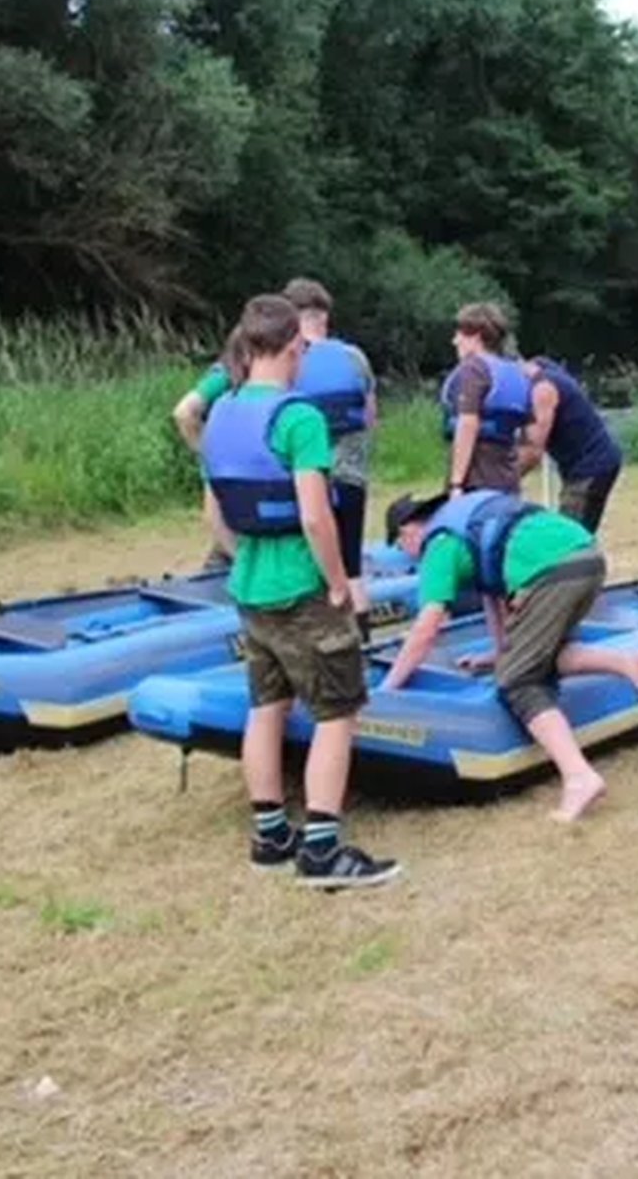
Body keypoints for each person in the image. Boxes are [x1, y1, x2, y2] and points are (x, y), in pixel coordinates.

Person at [200, 294, 396, 888]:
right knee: (338, 712)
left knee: (267, 706)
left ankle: (270, 835)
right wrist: (338, 582)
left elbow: (214, 513)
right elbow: (315, 516)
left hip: (250, 585)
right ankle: (322, 850)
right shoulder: (299, 417)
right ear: (294, 347)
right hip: (301, 587)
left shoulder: (221, 411)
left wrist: (245, 558)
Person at [380, 490, 638, 822]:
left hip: (551, 571)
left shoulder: (439, 546)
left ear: (408, 532)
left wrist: (387, 689)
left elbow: (426, 628)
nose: (406, 555)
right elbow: (493, 595)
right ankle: (628, 663)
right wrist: (499, 651)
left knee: (518, 680)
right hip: (585, 555)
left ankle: (579, 776)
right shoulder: (467, 524)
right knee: (538, 655)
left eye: (400, 546)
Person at [174, 278, 377, 613]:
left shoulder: (243, 364)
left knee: (246, 559)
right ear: (324, 317)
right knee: (351, 575)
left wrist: (211, 461)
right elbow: (369, 418)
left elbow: (186, 411)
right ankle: (359, 632)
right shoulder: (354, 358)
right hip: (346, 480)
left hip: (270, 488)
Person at [517, 355, 624, 532]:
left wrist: (500, 481)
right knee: (572, 531)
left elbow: (532, 452)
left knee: (569, 535)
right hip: (590, 461)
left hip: (590, 466)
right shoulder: (541, 367)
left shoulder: (542, 389)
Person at [440, 302, 531, 498]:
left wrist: (456, 483)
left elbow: (468, 423)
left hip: (476, 481)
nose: (455, 341)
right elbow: (526, 433)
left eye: (460, 334)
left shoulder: (473, 368)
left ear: (476, 336)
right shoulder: (514, 371)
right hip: (508, 480)